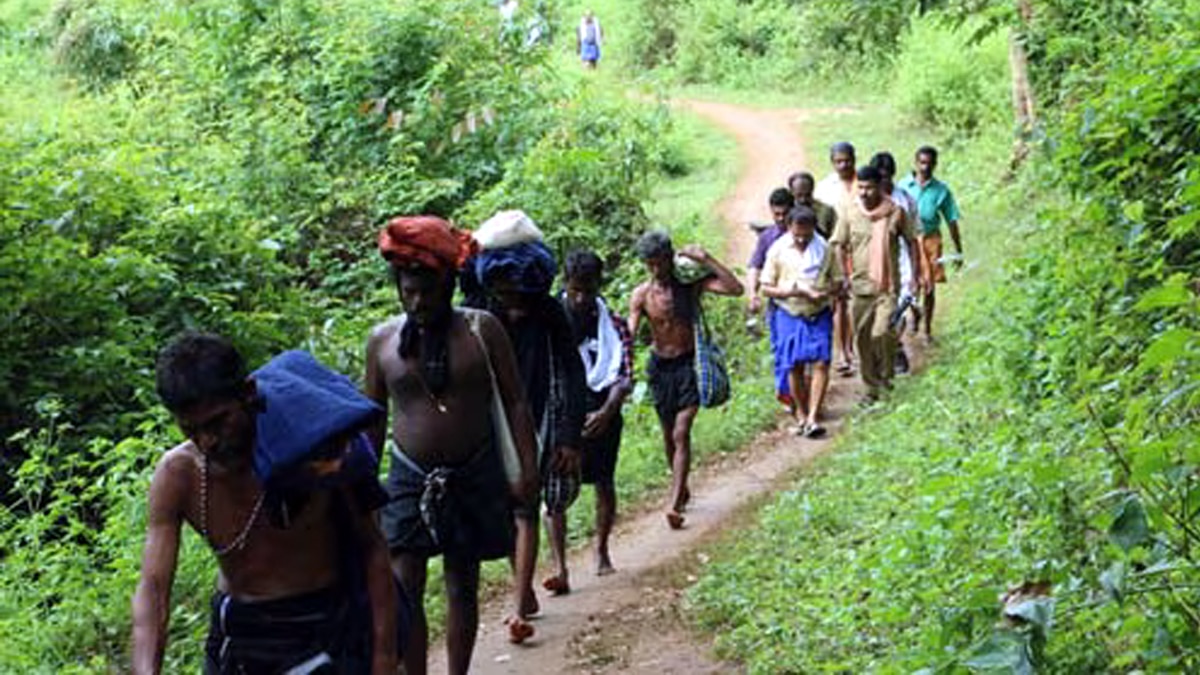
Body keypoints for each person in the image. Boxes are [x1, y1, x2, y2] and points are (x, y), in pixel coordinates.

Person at [133, 333, 399, 675]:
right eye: (191, 429)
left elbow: (372, 548)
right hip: (241, 637)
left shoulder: (317, 452)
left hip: (325, 627)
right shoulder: (178, 475)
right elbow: (153, 589)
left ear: (248, 394)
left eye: (217, 422)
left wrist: (385, 658)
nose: (207, 441)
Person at [367, 215, 539, 672]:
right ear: (398, 289)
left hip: (473, 471)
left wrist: (527, 468)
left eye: (428, 290)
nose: (419, 301)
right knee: (405, 586)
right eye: (409, 291)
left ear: (448, 286)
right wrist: (363, 488)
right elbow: (371, 420)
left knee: (462, 582)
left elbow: (516, 402)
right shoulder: (382, 343)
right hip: (407, 478)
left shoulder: (483, 331)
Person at [468, 219, 586, 629]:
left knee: (525, 510)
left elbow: (573, 371)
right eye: (506, 296)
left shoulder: (549, 311)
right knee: (502, 510)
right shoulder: (479, 313)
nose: (514, 305)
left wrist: (569, 436)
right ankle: (524, 585)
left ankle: (518, 609)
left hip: (541, 420)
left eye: (520, 297)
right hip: (490, 425)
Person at [629, 231, 744, 530]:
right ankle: (682, 488)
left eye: (661, 262)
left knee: (681, 432)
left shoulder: (690, 285)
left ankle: (674, 502)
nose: (657, 270)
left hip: (688, 366)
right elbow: (628, 335)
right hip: (659, 369)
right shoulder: (641, 295)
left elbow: (735, 289)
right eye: (651, 264)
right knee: (669, 435)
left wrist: (706, 259)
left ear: (671, 257)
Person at [561, 250, 634, 576]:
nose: (581, 298)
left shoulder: (613, 323)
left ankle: (602, 550)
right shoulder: (551, 322)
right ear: (565, 284)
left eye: (588, 291)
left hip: (604, 411)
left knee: (604, 482)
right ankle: (561, 566)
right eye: (575, 290)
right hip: (563, 415)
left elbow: (626, 375)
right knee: (557, 490)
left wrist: (607, 410)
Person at [832, 166, 921, 402]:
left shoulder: (896, 212)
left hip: (887, 288)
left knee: (881, 333)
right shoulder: (849, 213)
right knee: (862, 340)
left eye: (869, 187)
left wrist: (916, 276)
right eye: (860, 187)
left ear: (879, 187)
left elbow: (912, 242)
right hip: (860, 288)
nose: (864, 192)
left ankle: (886, 378)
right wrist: (843, 275)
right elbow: (839, 245)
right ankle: (871, 388)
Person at [759, 205, 841, 437]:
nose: (802, 239)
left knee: (821, 363)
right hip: (789, 313)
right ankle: (801, 414)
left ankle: (814, 416)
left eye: (807, 235)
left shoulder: (824, 248)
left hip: (818, 312)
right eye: (798, 235)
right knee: (793, 365)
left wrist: (823, 292)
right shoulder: (777, 250)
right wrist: (793, 291)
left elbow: (837, 281)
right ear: (789, 228)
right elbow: (766, 287)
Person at [870, 151, 928, 373]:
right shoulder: (865, 201)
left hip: (902, 261)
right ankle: (885, 352)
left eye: (888, 176)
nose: (885, 181)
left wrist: (917, 272)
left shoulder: (905, 200)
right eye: (880, 176)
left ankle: (895, 348)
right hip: (875, 264)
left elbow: (914, 238)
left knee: (900, 310)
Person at [897, 145, 963, 340]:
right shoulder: (903, 186)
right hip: (909, 240)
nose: (925, 167)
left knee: (930, 286)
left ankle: (927, 328)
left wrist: (958, 249)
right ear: (915, 163)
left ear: (935, 164)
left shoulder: (941, 190)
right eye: (922, 163)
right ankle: (915, 312)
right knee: (911, 282)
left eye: (929, 163)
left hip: (931, 240)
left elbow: (951, 219)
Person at [814, 142, 858, 377]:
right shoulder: (824, 188)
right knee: (840, 300)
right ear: (832, 162)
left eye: (847, 160)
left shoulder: (864, 183)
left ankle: (851, 347)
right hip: (835, 250)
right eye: (838, 161)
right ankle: (843, 351)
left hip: (861, 247)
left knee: (857, 299)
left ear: (854, 159)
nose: (843, 165)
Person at [788, 171, 837, 240]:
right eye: (799, 195)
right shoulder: (786, 211)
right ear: (791, 192)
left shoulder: (826, 211)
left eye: (808, 195)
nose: (803, 200)